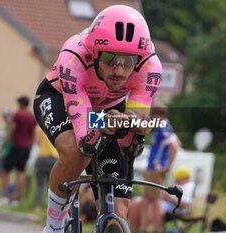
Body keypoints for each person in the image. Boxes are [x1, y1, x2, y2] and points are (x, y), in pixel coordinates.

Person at [33, 5, 162, 233]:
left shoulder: (149, 66)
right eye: (110, 58)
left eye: (128, 61)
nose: (119, 71)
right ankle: (53, 226)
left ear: (139, 59)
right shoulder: (73, 59)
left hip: (109, 109)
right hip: (60, 98)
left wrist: (136, 126)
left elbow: (137, 118)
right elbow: (85, 136)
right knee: (76, 151)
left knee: (119, 210)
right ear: (95, 53)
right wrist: (104, 124)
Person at [138, 102, 181, 233]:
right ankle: (146, 228)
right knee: (149, 199)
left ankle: (151, 229)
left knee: (154, 200)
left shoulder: (163, 128)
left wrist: (167, 166)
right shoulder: (167, 125)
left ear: (157, 114)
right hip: (155, 168)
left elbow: (175, 146)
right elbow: (178, 142)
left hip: (155, 169)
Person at [128, 166, 195, 233]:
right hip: (164, 204)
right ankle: (133, 229)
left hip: (171, 208)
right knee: (136, 201)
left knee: (140, 204)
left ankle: (135, 229)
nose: (176, 181)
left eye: (178, 179)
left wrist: (167, 197)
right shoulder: (183, 185)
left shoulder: (189, 186)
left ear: (184, 178)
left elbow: (184, 205)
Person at [0, 96, 36, 206]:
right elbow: (33, 133)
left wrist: (2, 145)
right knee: (21, 171)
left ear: (20, 103)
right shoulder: (32, 116)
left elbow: (11, 130)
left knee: (5, 170)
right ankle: (16, 199)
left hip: (17, 145)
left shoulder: (18, 115)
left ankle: (5, 197)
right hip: (27, 147)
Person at [34, 125, 59, 212]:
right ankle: (52, 208)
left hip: (42, 157)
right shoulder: (56, 122)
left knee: (40, 185)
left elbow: (37, 141)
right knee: (52, 186)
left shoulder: (39, 126)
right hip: (54, 158)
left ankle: (38, 206)